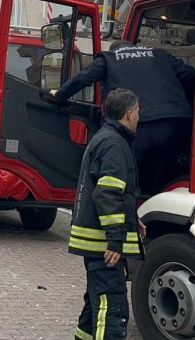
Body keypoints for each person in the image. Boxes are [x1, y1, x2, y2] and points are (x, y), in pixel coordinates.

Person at [51, 40, 195, 194]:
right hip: (178, 123)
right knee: (169, 174)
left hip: (140, 126)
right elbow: (190, 74)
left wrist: (60, 95)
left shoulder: (110, 58)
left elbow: (83, 78)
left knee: (130, 177)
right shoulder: (159, 54)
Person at [70, 88, 144, 340]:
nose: (139, 118)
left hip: (95, 244)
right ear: (128, 113)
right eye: (137, 112)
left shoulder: (105, 138)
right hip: (104, 246)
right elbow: (107, 193)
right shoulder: (115, 144)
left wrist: (133, 219)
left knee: (95, 307)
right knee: (111, 311)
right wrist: (115, 240)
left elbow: (111, 192)